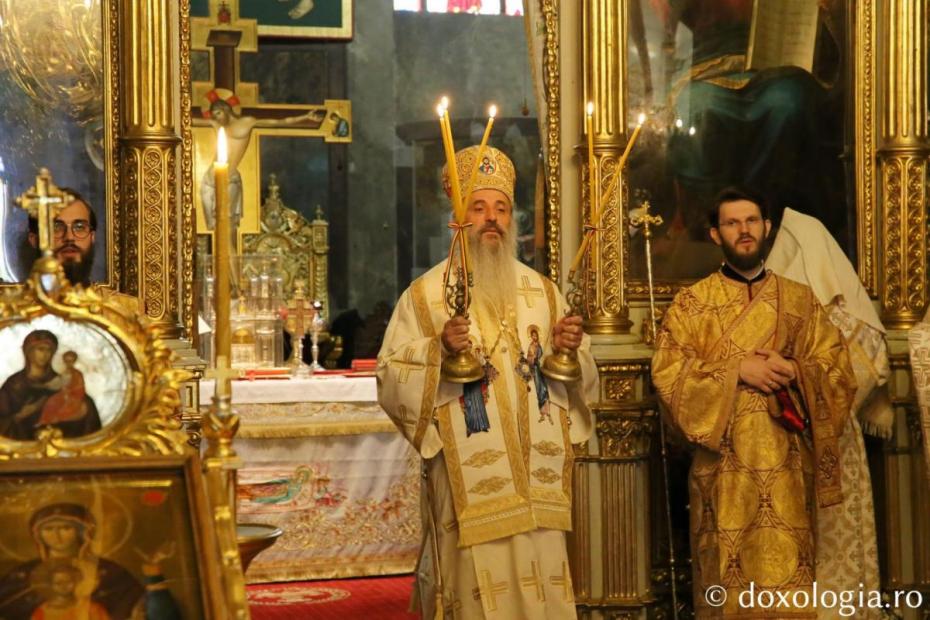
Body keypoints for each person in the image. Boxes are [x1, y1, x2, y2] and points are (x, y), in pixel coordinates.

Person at [377, 145, 599, 619]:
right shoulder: (426, 296)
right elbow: (390, 375)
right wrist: (438, 349)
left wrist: (569, 348)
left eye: (500, 208)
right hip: (469, 486)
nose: (491, 219)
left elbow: (579, 375)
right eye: (478, 208)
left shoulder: (542, 291)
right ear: (458, 217)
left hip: (538, 488)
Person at [651, 187, 857, 618]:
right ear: (715, 234)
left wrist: (796, 370)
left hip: (788, 473)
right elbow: (670, 374)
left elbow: (838, 370)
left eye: (751, 221)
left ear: (766, 228)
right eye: (731, 223)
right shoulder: (692, 304)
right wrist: (736, 372)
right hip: (723, 475)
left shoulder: (801, 300)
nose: (743, 231)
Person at [767, 207, 887, 618]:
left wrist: (798, 384)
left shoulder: (843, 311)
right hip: (782, 438)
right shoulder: (780, 304)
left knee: (835, 541)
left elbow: (866, 373)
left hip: (831, 438)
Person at [200, 88, 326, 231]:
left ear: (226, 109)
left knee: (227, 225)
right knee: (213, 226)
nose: (216, 117)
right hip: (209, 181)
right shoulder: (215, 124)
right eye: (213, 115)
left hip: (230, 179)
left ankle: (230, 253)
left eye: (218, 113)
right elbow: (186, 119)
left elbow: (278, 122)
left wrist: (304, 117)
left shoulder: (247, 122)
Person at [0, 503, 144, 619]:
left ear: (82, 532)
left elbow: (135, 607)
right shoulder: (22, 574)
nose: (56, 535)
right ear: (38, 535)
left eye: (65, 528)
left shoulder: (110, 572)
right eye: (49, 529)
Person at [0, 331, 101, 441]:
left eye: (49, 350)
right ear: (28, 352)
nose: (45, 354)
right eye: (40, 349)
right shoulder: (14, 385)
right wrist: (20, 416)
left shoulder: (62, 383)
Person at [27, 190, 97, 286]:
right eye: (56, 227)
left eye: (79, 227)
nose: (69, 237)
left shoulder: (117, 301)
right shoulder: (10, 301)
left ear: (92, 237)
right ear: (34, 239)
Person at [28, 562, 111, 620]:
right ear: (51, 585)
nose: (63, 586)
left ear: (76, 582)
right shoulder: (42, 611)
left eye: (68, 581)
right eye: (58, 583)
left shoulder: (93, 609)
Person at [38, 351, 90, 427]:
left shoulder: (77, 373)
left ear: (74, 361)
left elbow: (80, 387)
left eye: (71, 361)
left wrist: (70, 392)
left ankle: (56, 419)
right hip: (64, 394)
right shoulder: (65, 372)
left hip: (75, 396)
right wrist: (46, 385)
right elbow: (59, 382)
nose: (69, 363)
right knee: (51, 401)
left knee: (62, 405)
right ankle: (44, 420)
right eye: (67, 361)